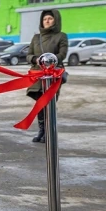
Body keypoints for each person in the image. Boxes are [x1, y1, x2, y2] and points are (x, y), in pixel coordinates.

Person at [25, 9, 68, 143]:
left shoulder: (61, 36)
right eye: (44, 19)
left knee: (49, 103)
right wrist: (35, 59)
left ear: (56, 20)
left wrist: (50, 60)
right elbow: (28, 55)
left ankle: (49, 132)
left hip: (53, 75)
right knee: (39, 103)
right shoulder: (36, 37)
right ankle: (41, 131)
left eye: (50, 18)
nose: (47, 21)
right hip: (37, 74)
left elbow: (62, 54)